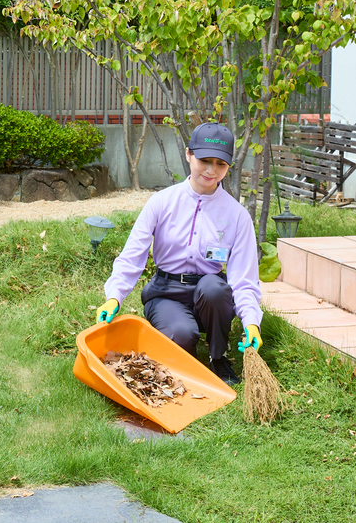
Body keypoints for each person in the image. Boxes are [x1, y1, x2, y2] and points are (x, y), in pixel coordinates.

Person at [95, 122, 262, 385]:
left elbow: (244, 278)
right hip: (166, 292)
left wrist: (251, 322)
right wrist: (114, 297)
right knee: (181, 335)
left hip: (210, 297)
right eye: (204, 160)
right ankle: (185, 348)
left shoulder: (237, 216)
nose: (211, 170)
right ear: (188, 154)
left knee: (214, 287)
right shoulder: (161, 202)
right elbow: (132, 255)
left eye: (220, 164)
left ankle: (218, 358)